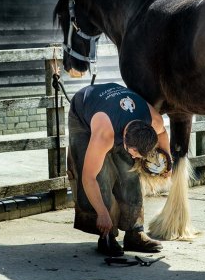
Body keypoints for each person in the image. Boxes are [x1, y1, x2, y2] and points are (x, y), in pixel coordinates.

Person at [67, 82, 171, 257]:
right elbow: (88, 177)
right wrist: (102, 212)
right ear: (124, 141)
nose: (137, 157)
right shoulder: (104, 135)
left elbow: (162, 134)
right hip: (85, 114)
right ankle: (106, 234)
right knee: (101, 176)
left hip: (115, 109)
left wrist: (168, 160)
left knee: (130, 171)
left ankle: (135, 231)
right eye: (135, 153)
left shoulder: (154, 120)